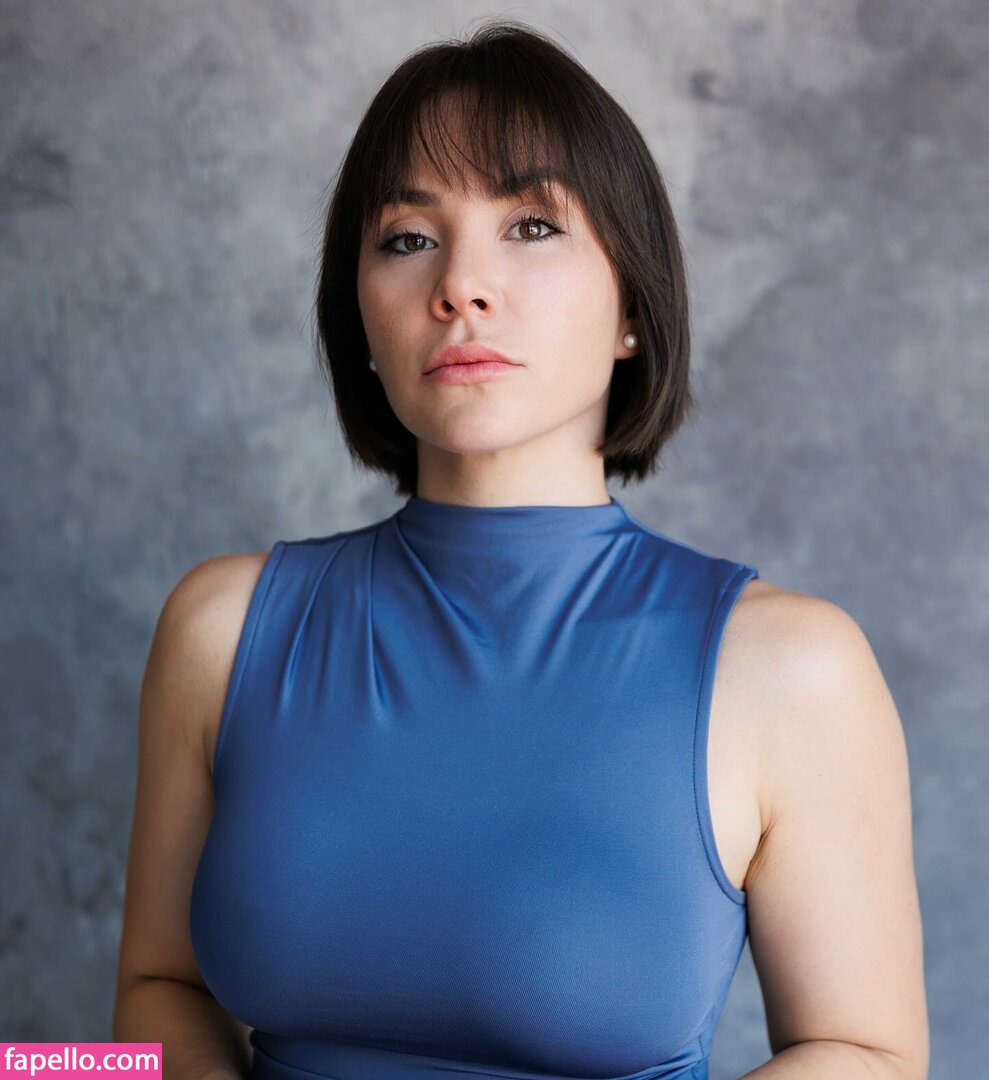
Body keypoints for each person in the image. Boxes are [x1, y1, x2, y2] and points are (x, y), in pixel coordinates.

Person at [112, 19, 929, 1080]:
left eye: (531, 226)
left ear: (632, 309)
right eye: (408, 238)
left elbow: (865, 1052)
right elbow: (156, 989)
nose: (460, 285)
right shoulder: (220, 632)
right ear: (361, 319)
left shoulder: (789, 669)